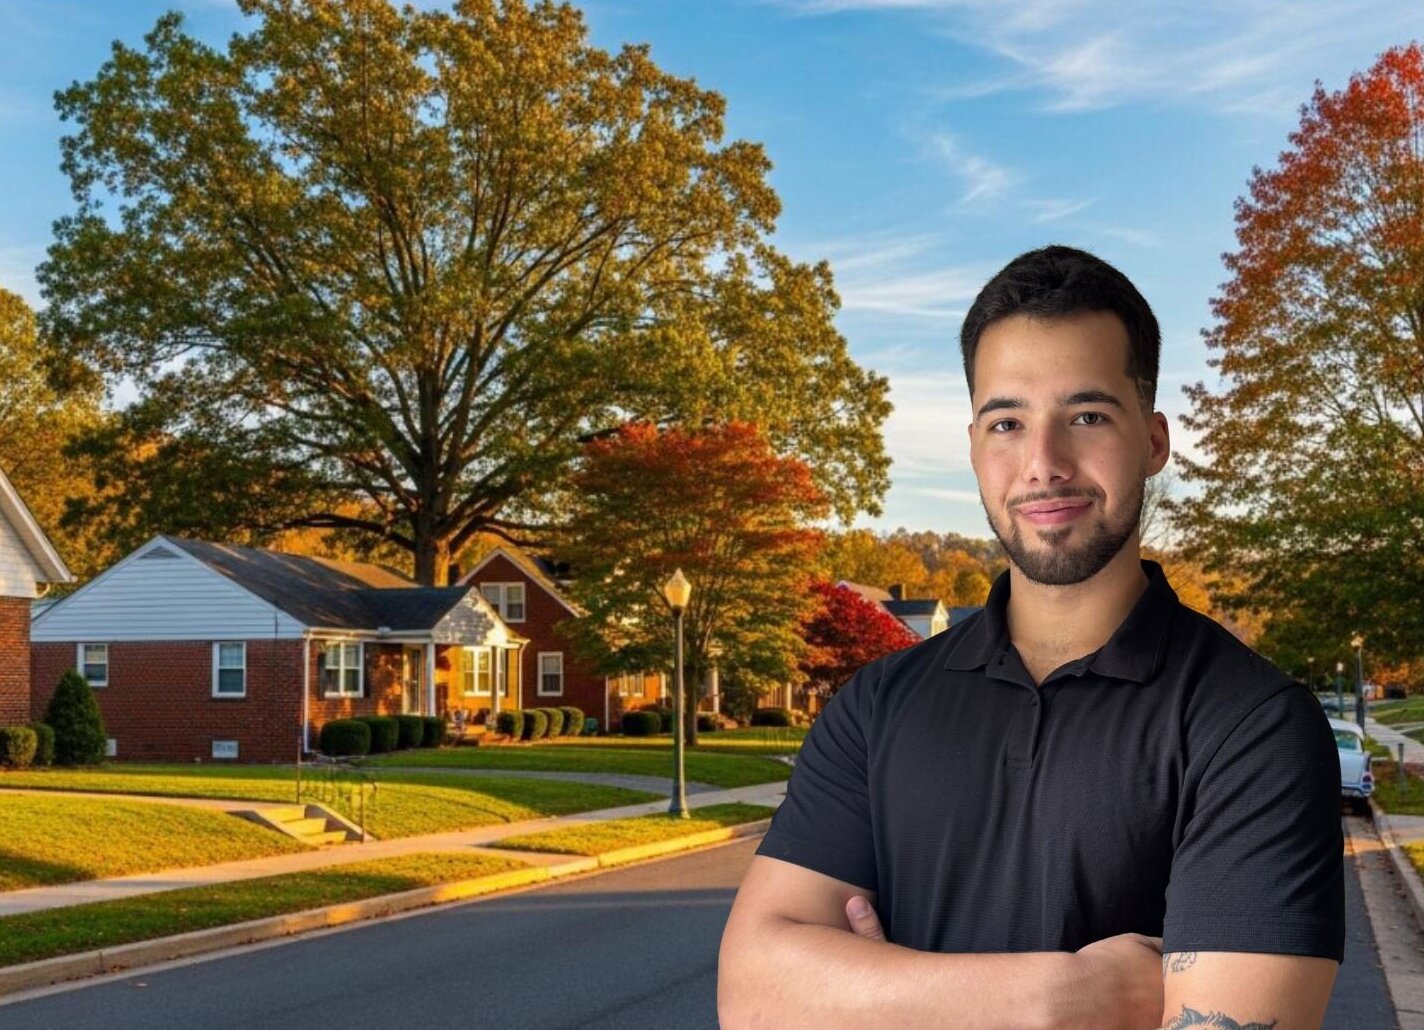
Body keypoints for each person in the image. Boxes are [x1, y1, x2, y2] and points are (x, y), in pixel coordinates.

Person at [718, 245, 1343, 1030]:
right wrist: (1061, 999)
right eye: (1007, 422)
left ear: (1153, 442)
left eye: (1086, 416)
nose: (1043, 464)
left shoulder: (1254, 727)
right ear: (975, 448)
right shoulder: (875, 708)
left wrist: (880, 996)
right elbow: (751, 996)